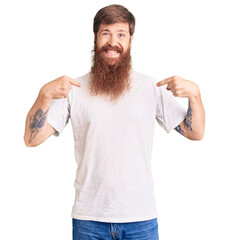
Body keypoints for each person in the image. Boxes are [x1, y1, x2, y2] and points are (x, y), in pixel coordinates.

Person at [24, 4, 205, 240]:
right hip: (89, 219)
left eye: (121, 34)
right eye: (105, 33)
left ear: (130, 40)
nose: (113, 42)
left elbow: (196, 133)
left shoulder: (151, 88)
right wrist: (44, 94)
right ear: (95, 38)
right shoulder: (74, 90)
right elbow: (31, 139)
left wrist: (195, 95)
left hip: (140, 218)